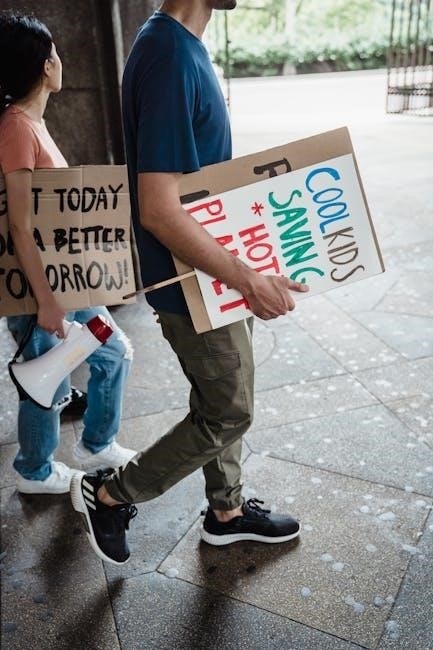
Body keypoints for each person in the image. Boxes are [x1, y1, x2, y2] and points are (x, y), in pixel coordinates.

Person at [71, 0, 309, 565]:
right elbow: (159, 208)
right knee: (228, 411)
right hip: (190, 280)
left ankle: (227, 512)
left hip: (211, 273)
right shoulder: (170, 55)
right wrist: (248, 278)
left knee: (219, 395)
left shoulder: (179, 45)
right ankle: (111, 494)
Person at [0, 11, 136, 494]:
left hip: (65, 280)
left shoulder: (32, 123)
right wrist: (47, 302)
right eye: (55, 52)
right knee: (48, 381)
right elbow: (21, 224)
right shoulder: (17, 127)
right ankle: (34, 472)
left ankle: (97, 443)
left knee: (113, 353)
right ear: (44, 65)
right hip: (42, 288)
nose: (61, 60)